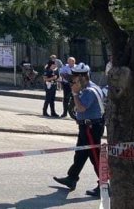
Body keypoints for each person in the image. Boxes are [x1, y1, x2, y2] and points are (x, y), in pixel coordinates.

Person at [53, 63, 105, 197]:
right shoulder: (91, 87)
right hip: (87, 126)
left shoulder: (89, 91)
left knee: (95, 156)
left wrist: (75, 93)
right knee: (80, 154)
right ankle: (71, 178)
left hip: (91, 127)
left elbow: (81, 108)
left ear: (82, 77)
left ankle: (104, 186)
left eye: (75, 77)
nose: (72, 80)